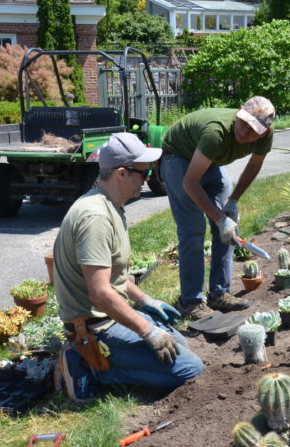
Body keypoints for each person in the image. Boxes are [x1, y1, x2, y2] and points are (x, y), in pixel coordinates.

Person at [52, 132, 203, 401]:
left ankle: (106, 360)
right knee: (189, 369)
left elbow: (112, 276)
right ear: (122, 173)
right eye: (144, 174)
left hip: (107, 315)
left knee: (179, 345)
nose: (149, 180)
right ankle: (94, 366)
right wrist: (147, 330)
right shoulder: (95, 217)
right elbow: (99, 292)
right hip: (95, 326)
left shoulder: (111, 206)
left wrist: (144, 300)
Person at [160, 96, 275, 319]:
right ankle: (191, 302)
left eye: (254, 130)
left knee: (228, 230)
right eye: (243, 124)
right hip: (178, 156)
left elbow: (253, 165)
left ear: (265, 131)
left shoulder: (264, 137)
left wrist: (232, 202)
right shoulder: (216, 133)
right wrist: (220, 219)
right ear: (240, 112)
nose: (245, 133)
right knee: (192, 229)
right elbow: (190, 183)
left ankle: (219, 294)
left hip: (210, 160)